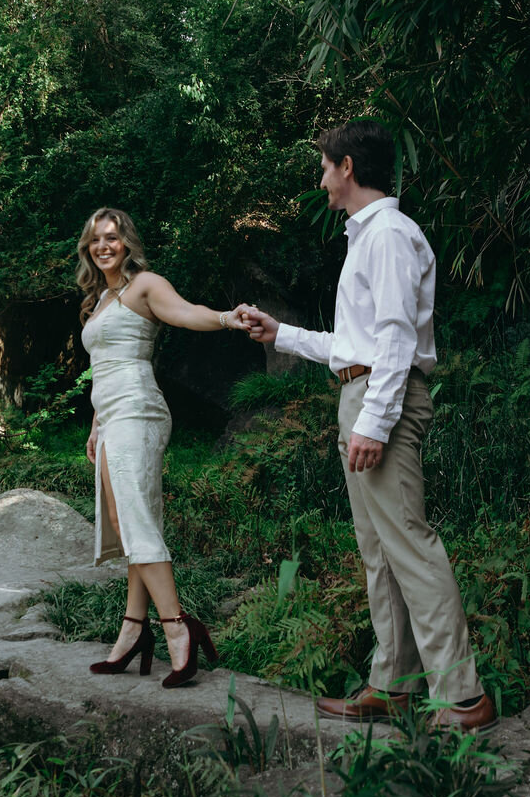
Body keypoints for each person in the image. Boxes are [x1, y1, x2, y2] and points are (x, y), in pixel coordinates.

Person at [241, 121, 497, 730]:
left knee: (408, 543)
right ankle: (394, 684)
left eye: (324, 167)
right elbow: (355, 342)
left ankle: (462, 697)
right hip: (362, 392)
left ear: (348, 167)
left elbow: (395, 340)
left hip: (381, 399)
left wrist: (375, 423)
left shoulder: (387, 236)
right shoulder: (370, 238)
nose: (320, 178)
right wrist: (281, 333)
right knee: (378, 551)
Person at [77, 206, 243, 687]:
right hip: (110, 419)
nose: (103, 246)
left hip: (138, 411)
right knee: (122, 522)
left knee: (136, 521)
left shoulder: (144, 285)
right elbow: (103, 366)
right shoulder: (100, 299)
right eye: (94, 241)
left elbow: (185, 313)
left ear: (126, 241)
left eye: (111, 237)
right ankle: (134, 629)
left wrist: (226, 318)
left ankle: (177, 627)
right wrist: (94, 424)